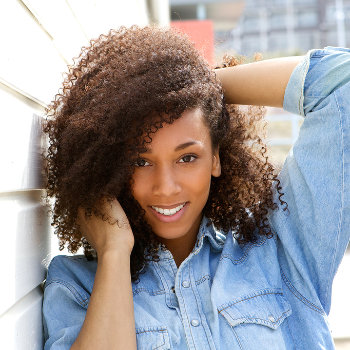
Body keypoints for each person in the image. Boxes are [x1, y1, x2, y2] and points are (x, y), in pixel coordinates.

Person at [42, 25, 350, 350]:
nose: (166, 187)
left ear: (215, 157)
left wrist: (201, 87)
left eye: (187, 157)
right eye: (141, 161)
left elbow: (341, 83)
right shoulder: (78, 287)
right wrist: (115, 252)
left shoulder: (281, 248)